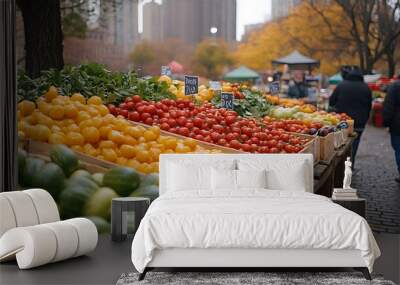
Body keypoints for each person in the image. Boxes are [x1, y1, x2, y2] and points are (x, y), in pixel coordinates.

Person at [329, 67, 372, 169]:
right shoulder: (366, 87)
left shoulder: (342, 85)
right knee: (355, 143)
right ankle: (350, 165)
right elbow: (369, 106)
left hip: (343, 121)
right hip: (359, 122)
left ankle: (340, 167)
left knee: (341, 142)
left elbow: (331, 101)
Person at [383, 74, 400, 183]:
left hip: (397, 125)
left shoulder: (395, 86)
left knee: (398, 149)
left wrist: (387, 123)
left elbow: (388, 106)